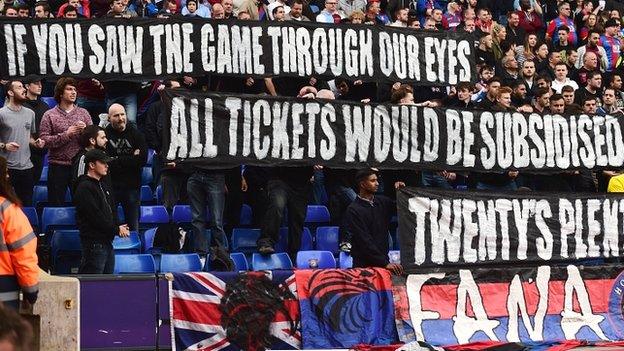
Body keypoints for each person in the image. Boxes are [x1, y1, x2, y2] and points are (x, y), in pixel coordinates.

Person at [74, 149, 129, 274]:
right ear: (92, 165)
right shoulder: (84, 187)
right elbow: (94, 216)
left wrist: (117, 226)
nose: (107, 165)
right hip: (94, 244)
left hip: (106, 242)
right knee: (93, 285)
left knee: (106, 285)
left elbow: (110, 210)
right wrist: (116, 229)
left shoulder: (103, 185)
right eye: (103, 162)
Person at [342, 169, 402, 275]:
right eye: (373, 181)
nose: (377, 183)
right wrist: (384, 263)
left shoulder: (383, 202)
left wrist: (401, 192)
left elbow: (403, 207)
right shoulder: (353, 210)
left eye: (377, 180)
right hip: (363, 267)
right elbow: (364, 240)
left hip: (383, 264)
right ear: (363, 184)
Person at [0, 156, 39, 310]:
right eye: (6, 172)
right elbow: (23, 252)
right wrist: (31, 291)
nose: (8, 176)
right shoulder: (7, 209)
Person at [0, 80, 45, 206]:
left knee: (27, 205)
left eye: (23, 87)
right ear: (10, 92)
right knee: (5, 205)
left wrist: (35, 143)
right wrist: (4, 146)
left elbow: (29, 137)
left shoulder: (30, 113)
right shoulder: (1, 114)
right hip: (7, 168)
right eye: (19, 87)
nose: (24, 90)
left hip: (27, 168)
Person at [104, 103, 146, 232]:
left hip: (132, 186)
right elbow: (105, 161)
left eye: (123, 114)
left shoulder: (136, 134)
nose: (121, 118)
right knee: (110, 225)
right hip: (111, 186)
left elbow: (142, 160)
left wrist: (116, 159)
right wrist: (130, 158)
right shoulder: (104, 135)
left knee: (134, 226)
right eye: (116, 116)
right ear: (109, 118)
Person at [22, 75, 49, 186]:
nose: (40, 86)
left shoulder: (45, 106)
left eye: (41, 83)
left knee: (34, 184)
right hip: (23, 153)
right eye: (36, 83)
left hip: (39, 153)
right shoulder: (21, 105)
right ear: (27, 86)